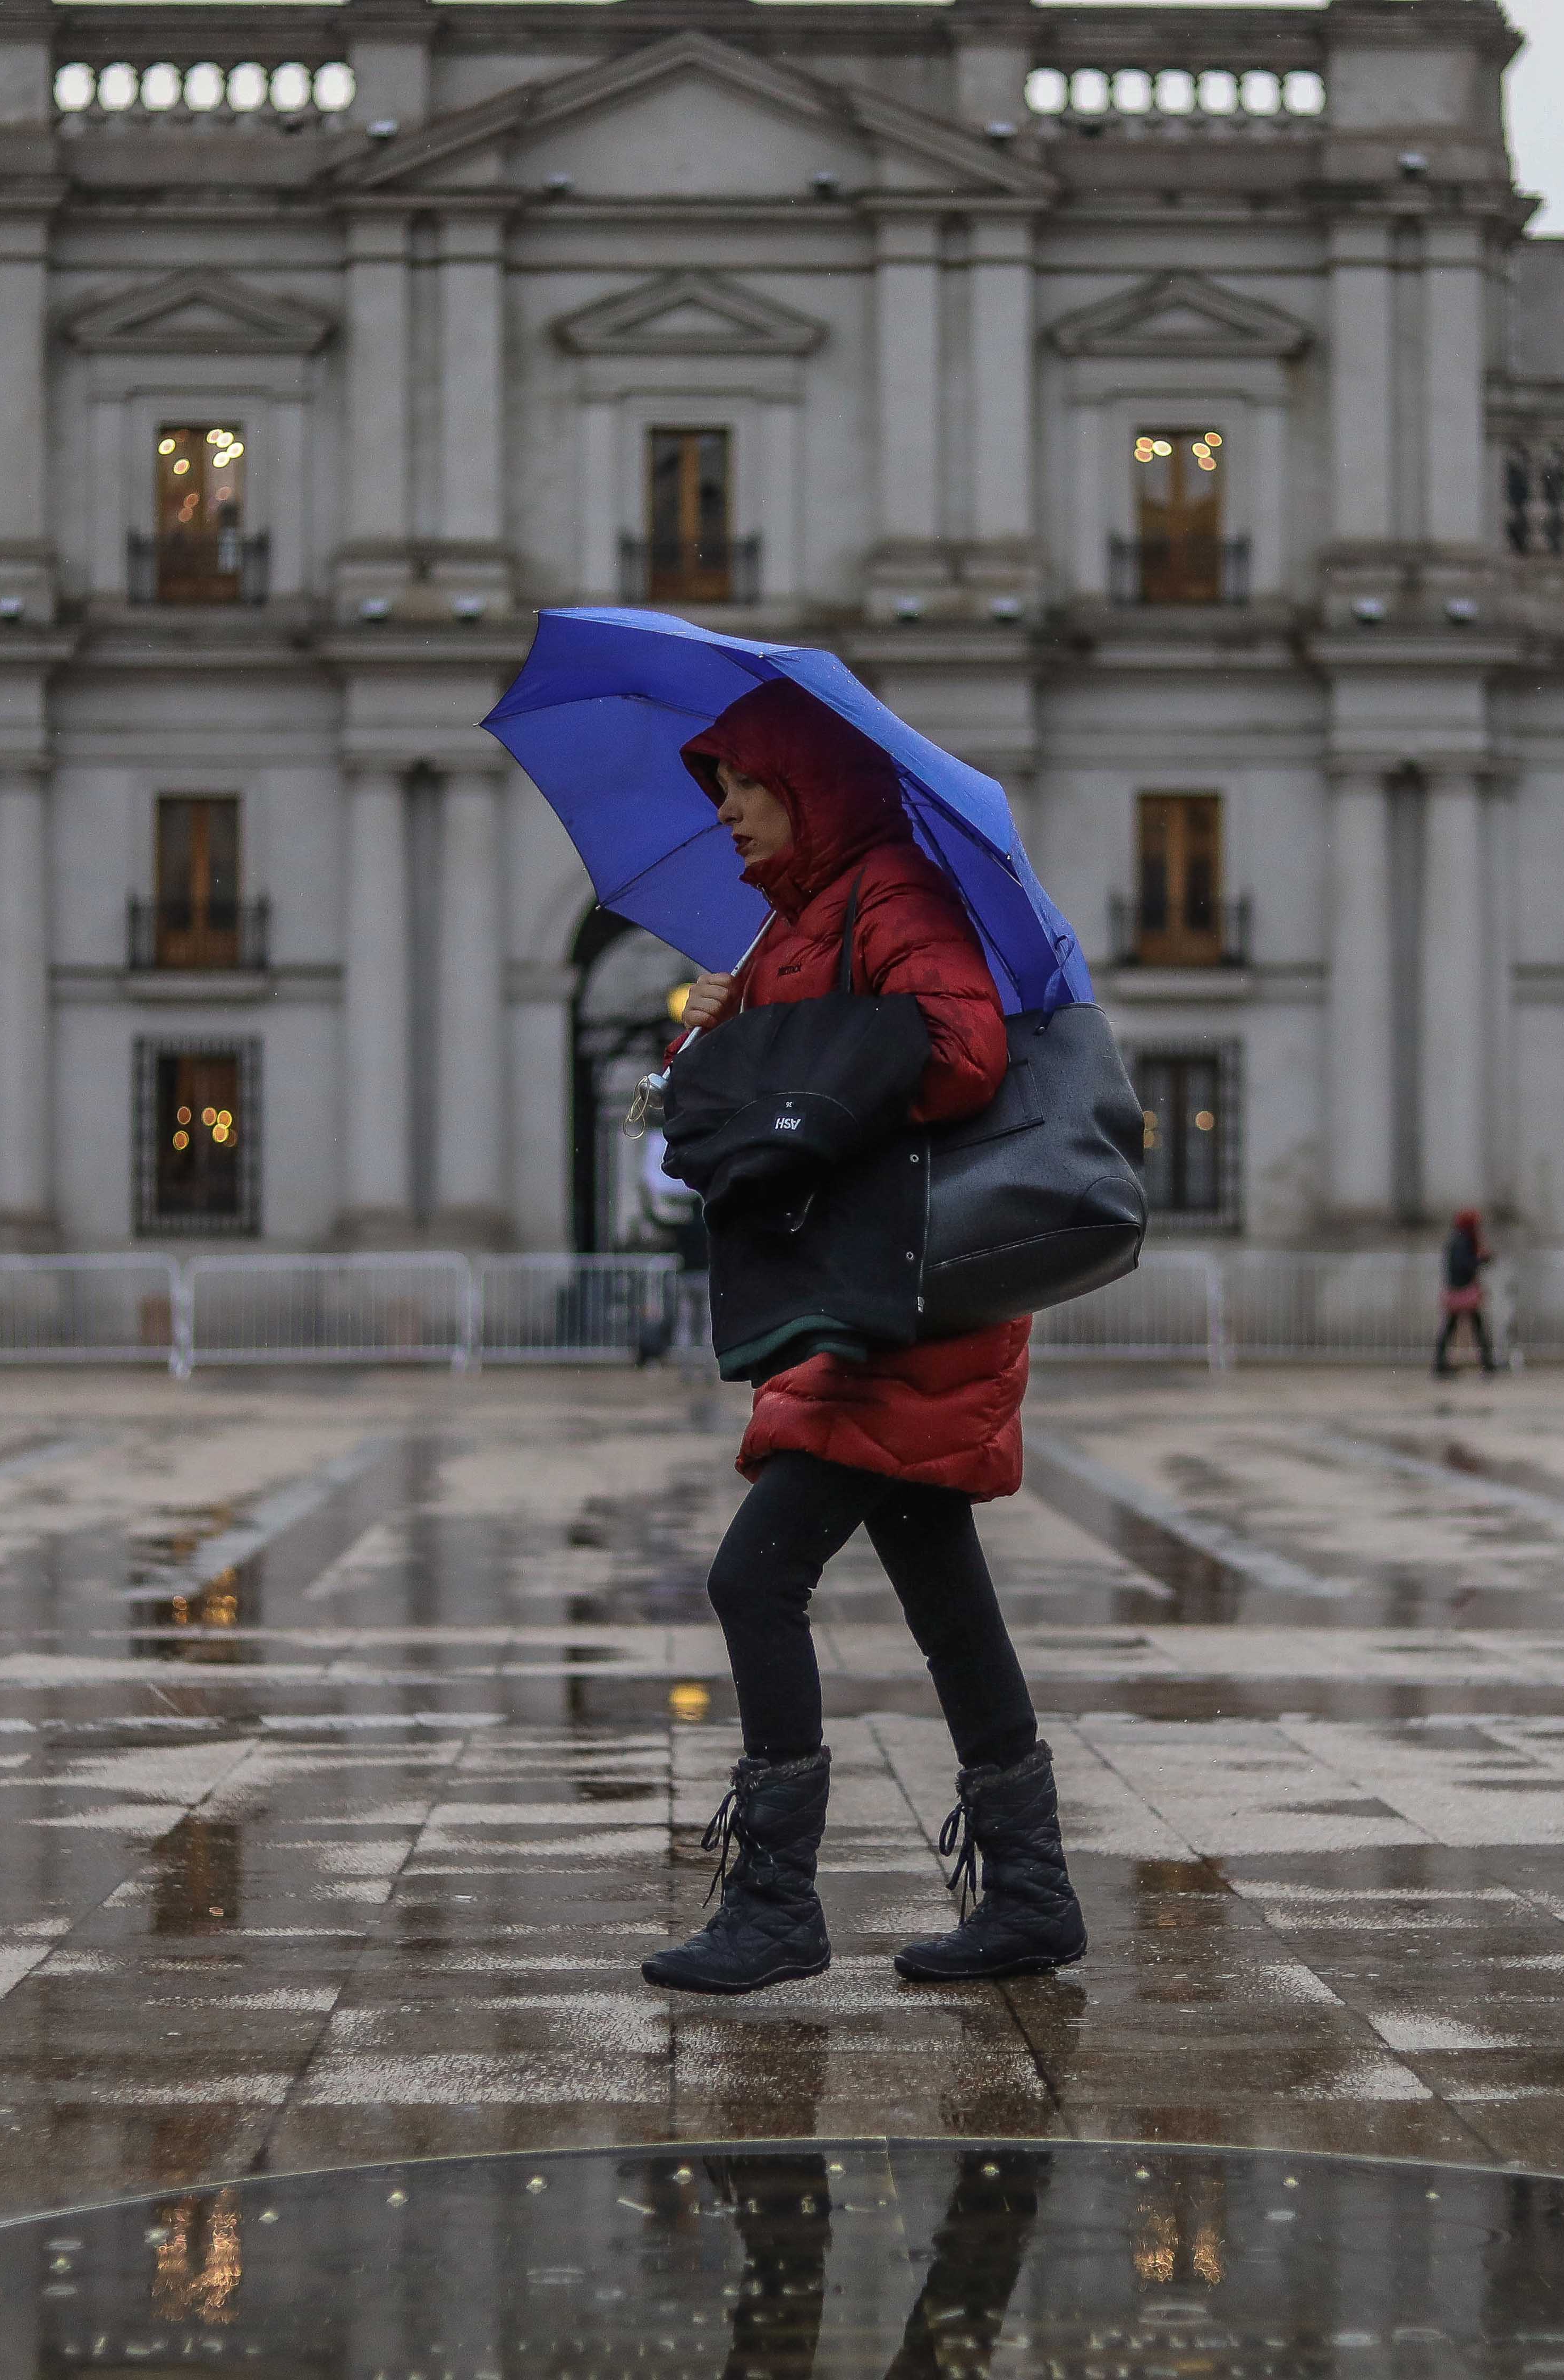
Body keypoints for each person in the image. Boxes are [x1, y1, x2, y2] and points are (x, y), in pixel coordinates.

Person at [639, 678, 1083, 1998]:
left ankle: (778, 1904)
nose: (724, 812)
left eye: (744, 784)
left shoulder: (889, 896)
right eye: (717, 788)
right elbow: (754, 1112)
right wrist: (728, 1036)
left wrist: (803, 1049)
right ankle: (1032, 1894)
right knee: (945, 1597)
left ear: (809, 785)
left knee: (752, 1578)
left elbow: (958, 1051)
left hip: (900, 1308)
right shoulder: (796, 931)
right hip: (864, 1304)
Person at [1433, 1207, 1496, 1377]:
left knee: (1453, 1328)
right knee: (1474, 1328)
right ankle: (1487, 1363)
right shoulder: (1463, 1241)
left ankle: (1440, 1363)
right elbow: (1465, 1265)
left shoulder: (1457, 1240)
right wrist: (1481, 1260)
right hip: (1463, 1292)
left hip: (1457, 1291)